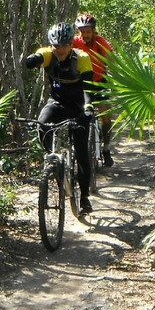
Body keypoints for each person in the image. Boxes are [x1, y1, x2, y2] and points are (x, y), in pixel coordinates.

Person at [24, 22, 97, 215]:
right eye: (56, 46)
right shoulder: (49, 54)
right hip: (56, 103)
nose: (60, 50)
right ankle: (54, 162)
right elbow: (38, 57)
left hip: (79, 107)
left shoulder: (81, 58)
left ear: (71, 44)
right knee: (42, 125)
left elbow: (89, 87)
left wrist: (88, 107)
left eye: (64, 45)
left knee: (81, 151)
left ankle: (84, 198)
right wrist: (32, 60)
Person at [72, 13, 115, 167]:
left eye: (88, 32)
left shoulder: (100, 41)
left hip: (99, 82)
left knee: (105, 114)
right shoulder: (74, 42)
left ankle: (106, 148)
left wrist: (110, 61)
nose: (86, 35)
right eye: (82, 32)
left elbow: (110, 57)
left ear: (93, 30)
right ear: (78, 32)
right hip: (81, 83)